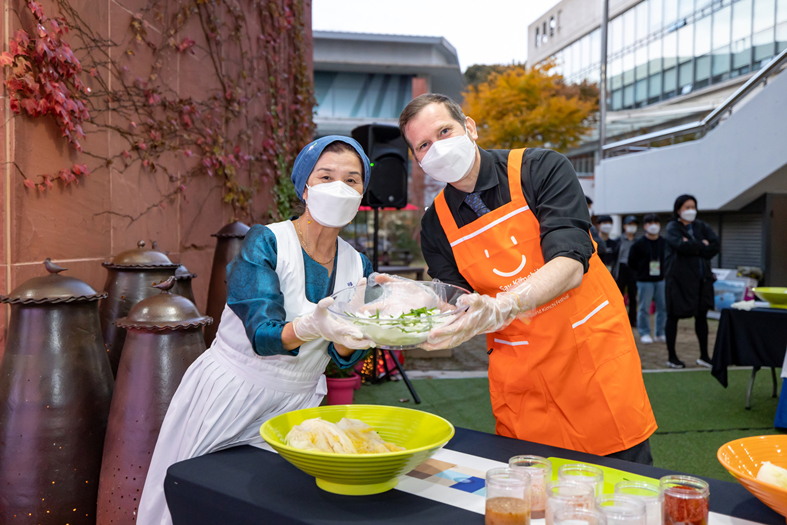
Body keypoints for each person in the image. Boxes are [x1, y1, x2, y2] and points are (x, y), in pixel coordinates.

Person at [400, 93, 656, 463]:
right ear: (417, 159)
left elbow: (569, 262)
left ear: (469, 127)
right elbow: (457, 302)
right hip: (521, 375)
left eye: (444, 131)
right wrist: (409, 308)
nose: (437, 148)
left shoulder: (541, 168)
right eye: (424, 145)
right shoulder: (435, 224)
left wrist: (506, 303)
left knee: (623, 490)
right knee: (531, 493)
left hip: (592, 357)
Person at [138, 136, 375, 524]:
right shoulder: (266, 242)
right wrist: (312, 325)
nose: (339, 187)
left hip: (297, 406)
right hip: (230, 395)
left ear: (362, 193)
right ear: (305, 186)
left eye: (352, 180)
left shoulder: (357, 264)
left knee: (273, 509)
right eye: (327, 175)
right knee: (193, 504)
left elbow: (341, 359)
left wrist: (356, 340)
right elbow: (263, 336)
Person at [664, 194, 720, 369]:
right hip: (679, 281)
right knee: (674, 316)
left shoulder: (701, 225)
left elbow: (715, 245)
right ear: (678, 209)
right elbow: (680, 246)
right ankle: (672, 357)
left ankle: (704, 356)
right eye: (687, 207)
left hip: (702, 281)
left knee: (701, 317)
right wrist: (702, 245)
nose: (691, 211)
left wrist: (694, 245)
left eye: (693, 207)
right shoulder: (673, 227)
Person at [628, 214, 667, 345]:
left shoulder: (664, 243)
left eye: (656, 222)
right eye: (650, 223)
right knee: (644, 308)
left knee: (662, 307)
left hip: (661, 279)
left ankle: (660, 333)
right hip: (644, 280)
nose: (653, 225)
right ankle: (644, 332)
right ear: (645, 226)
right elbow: (631, 262)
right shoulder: (638, 244)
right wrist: (640, 273)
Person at [615, 215, 639, 326]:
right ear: (624, 226)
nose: (632, 227)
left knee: (632, 295)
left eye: (634, 224)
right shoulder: (619, 240)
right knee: (618, 294)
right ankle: (619, 318)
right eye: (629, 224)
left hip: (633, 268)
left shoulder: (638, 241)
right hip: (621, 268)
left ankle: (632, 319)